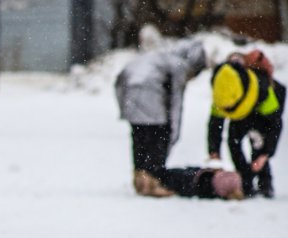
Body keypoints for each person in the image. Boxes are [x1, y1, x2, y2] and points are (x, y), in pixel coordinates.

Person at [115, 39, 207, 197]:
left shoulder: (152, 58)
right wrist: (174, 132)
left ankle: (140, 177)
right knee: (157, 140)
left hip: (131, 101)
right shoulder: (178, 65)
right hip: (153, 104)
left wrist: (125, 109)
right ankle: (153, 181)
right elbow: (176, 102)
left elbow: (119, 82)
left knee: (139, 139)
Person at [208, 55, 285, 198]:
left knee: (258, 145)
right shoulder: (222, 91)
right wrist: (214, 151)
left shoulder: (262, 90)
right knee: (233, 142)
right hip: (241, 114)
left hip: (261, 114)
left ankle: (265, 183)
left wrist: (265, 154)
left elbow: (275, 124)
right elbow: (215, 125)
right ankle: (245, 181)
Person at [158, 167, 243, 200]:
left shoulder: (236, 179)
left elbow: (220, 172)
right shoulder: (223, 192)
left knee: (171, 175)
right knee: (170, 178)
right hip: (197, 183)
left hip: (201, 175)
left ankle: (156, 175)